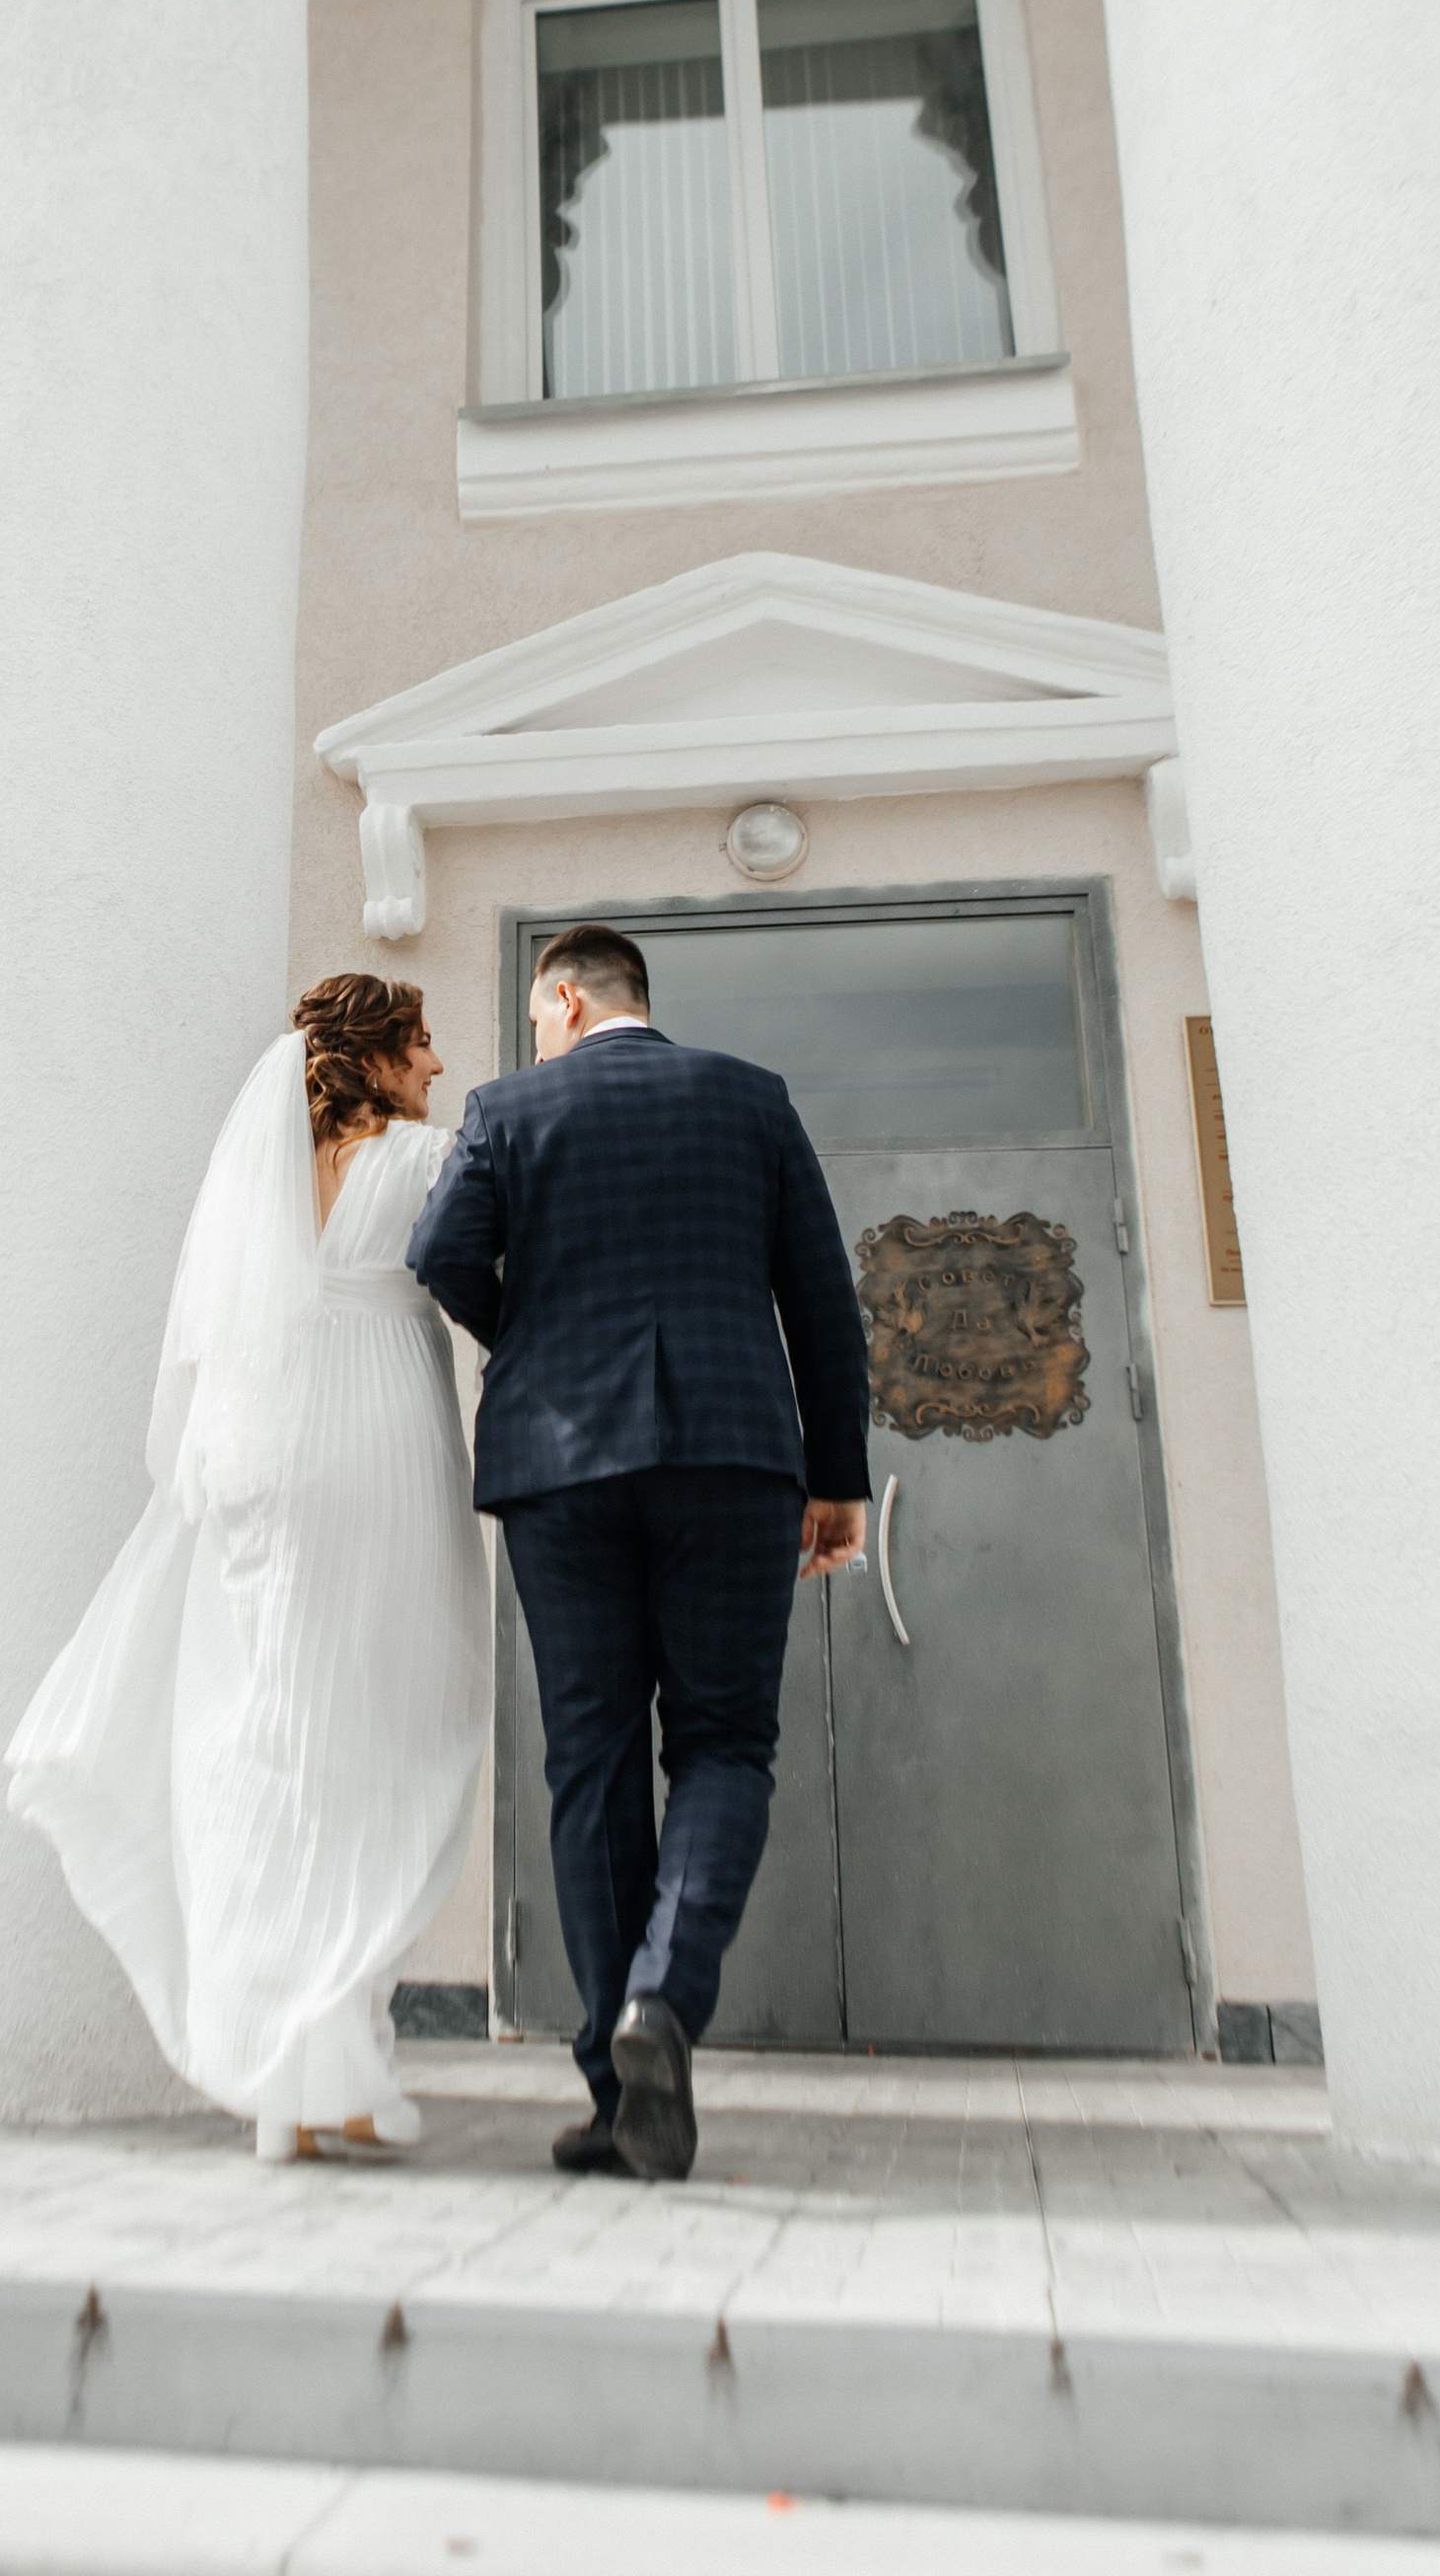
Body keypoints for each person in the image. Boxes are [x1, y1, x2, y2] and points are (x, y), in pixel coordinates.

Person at [407, 921, 869, 2184]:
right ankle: (661, 2001)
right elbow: (822, 1300)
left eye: (539, 1013)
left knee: (590, 1763)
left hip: (561, 1468)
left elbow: (440, 1255)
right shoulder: (752, 1100)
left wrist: (535, 1334)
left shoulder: (509, 1110)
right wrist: (839, 1480)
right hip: (731, 1457)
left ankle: (615, 2097)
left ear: (562, 997)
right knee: (724, 1743)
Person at [8, 974, 488, 2163]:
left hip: (261, 1443)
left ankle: (303, 2076)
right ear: (375, 1057)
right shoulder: (427, 1161)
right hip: (377, 1438)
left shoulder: (256, 1175)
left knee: (274, 1728)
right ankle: (326, 2057)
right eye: (419, 1043)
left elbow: (208, 1331)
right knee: (390, 1720)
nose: (434, 1064)